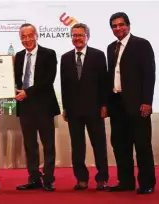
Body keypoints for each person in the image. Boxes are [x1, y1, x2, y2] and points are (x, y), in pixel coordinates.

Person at [106, 12, 156, 194]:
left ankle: (147, 183)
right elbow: (111, 76)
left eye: (121, 24)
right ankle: (125, 181)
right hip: (117, 104)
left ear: (128, 25)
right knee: (120, 145)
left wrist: (147, 102)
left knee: (142, 145)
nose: (118, 28)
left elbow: (149, 75)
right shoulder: (111, 47)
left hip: (137, 104)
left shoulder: (141, 44)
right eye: (114, 26)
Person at [60, 23, 109, 191]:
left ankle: (102, 178)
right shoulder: (65, 58)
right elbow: (64, 85)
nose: (77, 38)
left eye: (80, 35)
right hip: (73, 110)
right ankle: (81, 178)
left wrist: (104, 104)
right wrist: (65, 107)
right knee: (77, 146)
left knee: (99, 145)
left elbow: (104, 82)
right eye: (74, 35)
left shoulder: (98, 55)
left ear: (87, 36)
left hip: (95, 109)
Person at [14, 23, 60, 192]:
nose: (27, 39)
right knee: (30, 144)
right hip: (25, 107)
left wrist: (27, 92)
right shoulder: (18, 56)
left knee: (48, 144)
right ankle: (34, 178)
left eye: (30, 35)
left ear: (36, 35)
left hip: (44, 106)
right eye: (23, 37)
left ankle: (48, 178)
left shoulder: (49, 54)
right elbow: (16, 80)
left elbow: (48, 80)